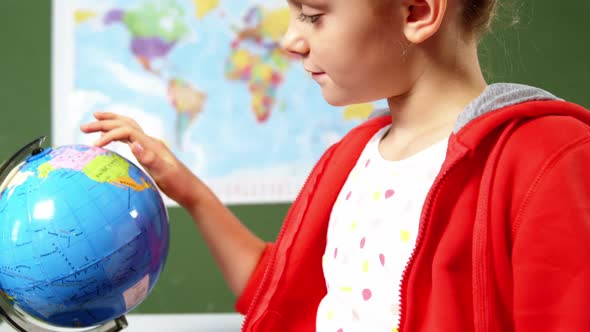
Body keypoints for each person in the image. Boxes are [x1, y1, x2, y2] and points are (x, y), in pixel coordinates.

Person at [81, 0, 590, 331]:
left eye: (313, 14)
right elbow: (278, 293)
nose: (290, 40)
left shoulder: (548, 159)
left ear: (416, 11)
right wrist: (187, 189)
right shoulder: (350, 158)